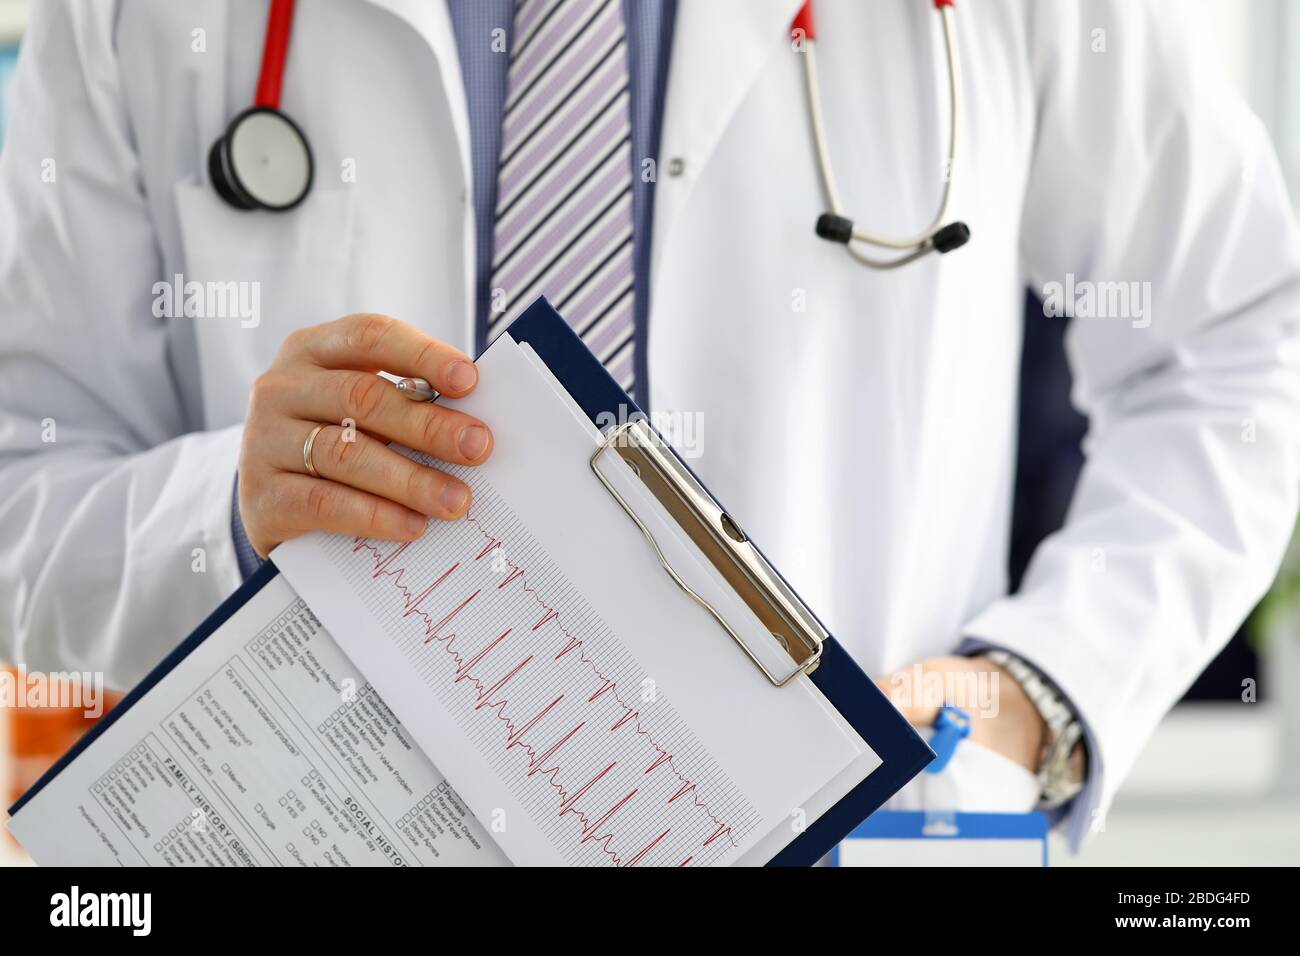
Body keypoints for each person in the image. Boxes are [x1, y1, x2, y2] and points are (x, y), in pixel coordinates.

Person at [1, 0, 1298, 852]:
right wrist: (228, 516)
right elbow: (22, 479)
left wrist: (1038, 688)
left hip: (856, 842)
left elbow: (1243, 338)